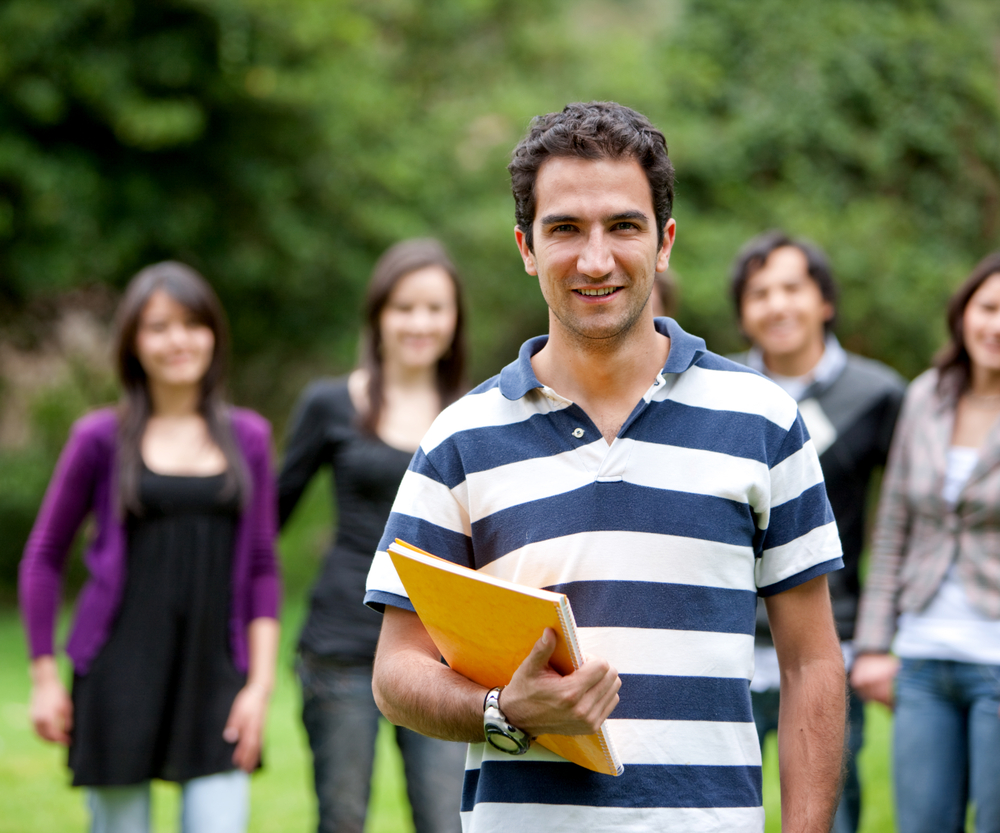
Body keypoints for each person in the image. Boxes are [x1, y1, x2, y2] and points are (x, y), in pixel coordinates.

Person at [364, 101, 846, 833]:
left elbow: (811, 664)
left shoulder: (764, 420)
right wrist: (502, 712)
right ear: (526, 246)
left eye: (623, 225)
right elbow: (396, 674)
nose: (596, 260)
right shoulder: (459, 438)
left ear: (664, 242)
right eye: (565, 229)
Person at [19, 262, 281, 833]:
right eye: (158, 326)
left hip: (214, 675)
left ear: (213, 334)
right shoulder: (98, 438)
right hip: (118, 673)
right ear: (134, 342)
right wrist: (43, 678)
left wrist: (258, 688)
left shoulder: (250, 438)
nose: (178, 340)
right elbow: (43, 556)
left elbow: (263, 569)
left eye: (192, 324)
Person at [278, 238, 467, 833]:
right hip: (339, 645)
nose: (418, 322)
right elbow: (263, 523)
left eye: (434, 308)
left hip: (441, 655)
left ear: (455, 320)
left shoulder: (473, 416)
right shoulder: (330, 404)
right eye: (403, 307)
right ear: (377, 316)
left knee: (446, 820)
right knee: (342, 820)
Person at [728, 230, 906, 833]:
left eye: (791, 288)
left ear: (824, 300)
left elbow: (907, 518)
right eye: (759, 293)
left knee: (836, 811)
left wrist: (883, 633)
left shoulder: (878, 395)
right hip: (734, 648)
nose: (777, 306)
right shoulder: (725, 399)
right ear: (743, 313)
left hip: (837, 641)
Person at [851, 251, 1000, 833]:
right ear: (964, 313)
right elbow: (892, 529)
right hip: (921, 658)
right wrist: (872, 646)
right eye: (988, 308)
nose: (996, 326)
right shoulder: (925, 396)